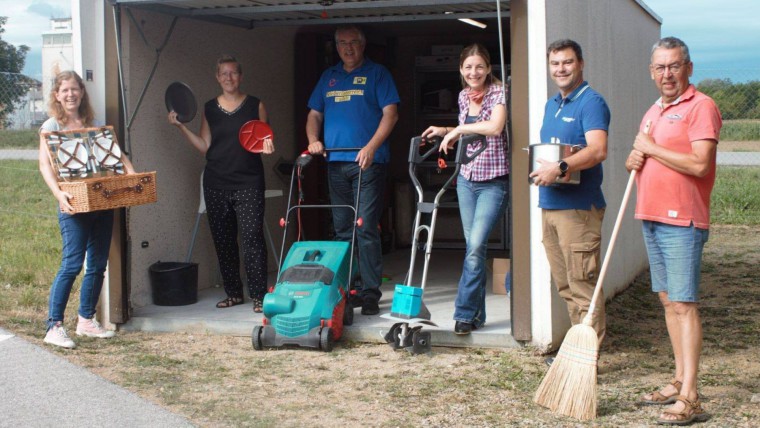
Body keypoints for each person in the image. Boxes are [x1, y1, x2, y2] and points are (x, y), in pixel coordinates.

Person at [628, 37, 721, 426]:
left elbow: (700, 165)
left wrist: (650, 147)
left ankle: (692, 396)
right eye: (660, 67)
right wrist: (637, 158)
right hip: (651, 216)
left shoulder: (702, 107)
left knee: (685, 304)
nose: (667, 74)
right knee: (669, 303)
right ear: (652, 72)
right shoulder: (653, 111)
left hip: (682, 219)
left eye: (674, 65)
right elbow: (649, 157)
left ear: (689, 67)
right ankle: (679, 379)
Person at [168, 55, 275, 313]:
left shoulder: (255, 105)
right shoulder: (209, 108)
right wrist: (181, 128)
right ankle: (234, 293)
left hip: (249, 181)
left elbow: (263, 139)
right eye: (223, 74)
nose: (229, 78)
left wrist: (268, 146)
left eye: (233, 73)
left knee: (252, 238)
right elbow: (205, 146)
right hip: (216, 182)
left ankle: (259, 295)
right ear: (217, 77)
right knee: (223, 240)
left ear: (240, 76)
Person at [38, 70, 137, 349]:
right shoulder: (51, 126)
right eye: (65, 90)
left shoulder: (95, 123)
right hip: (73, 205)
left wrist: (132, 175)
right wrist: (59, 193)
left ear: (82, 92)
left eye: (75, 89)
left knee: (97, 264)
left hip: (102, 203)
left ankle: (86, 320)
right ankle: (54, 326)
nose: (70, 94)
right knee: (71, 265)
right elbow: (45, 165)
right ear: (57, 95)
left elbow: (116, 154)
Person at [305, 25, 400, 316]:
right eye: (342, 43)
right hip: (335, 164)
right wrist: (313, 140)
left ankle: (370, 293)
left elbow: (391, 114)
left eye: (353, 43)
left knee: (366, 228)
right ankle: (349, 288)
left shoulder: (378, 73)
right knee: (343, 230)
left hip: (368, 164)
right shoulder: (328, 77)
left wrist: (371, 147)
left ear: (363, 44)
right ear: (336, 47)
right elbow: (314, 114)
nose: (348, 48)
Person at [421, 44, 509, 335]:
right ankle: (476, 315)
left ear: (488, 69)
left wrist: (457, 130)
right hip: (467, 180)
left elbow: (495, 127)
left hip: (493, 181)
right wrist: (446, 130)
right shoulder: (462, 96)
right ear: (461, 70)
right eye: (469, 67)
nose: (474, 72)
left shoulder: (499, 93)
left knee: (474, 248)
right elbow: (469, 130)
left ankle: (463, 313)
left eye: (480, 66)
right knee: (474, 249)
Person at [529, 39, 611, 353]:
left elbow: (598, 150)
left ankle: (588, 358)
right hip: (550, 204)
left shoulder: (591, 102)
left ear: (580, 64)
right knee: (565, 286)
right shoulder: (554, 104)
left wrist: (561, 166)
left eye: (567, 62)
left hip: (578, 210)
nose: (561, 69)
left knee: (583, 285)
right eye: (555, 63)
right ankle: (577, 350)